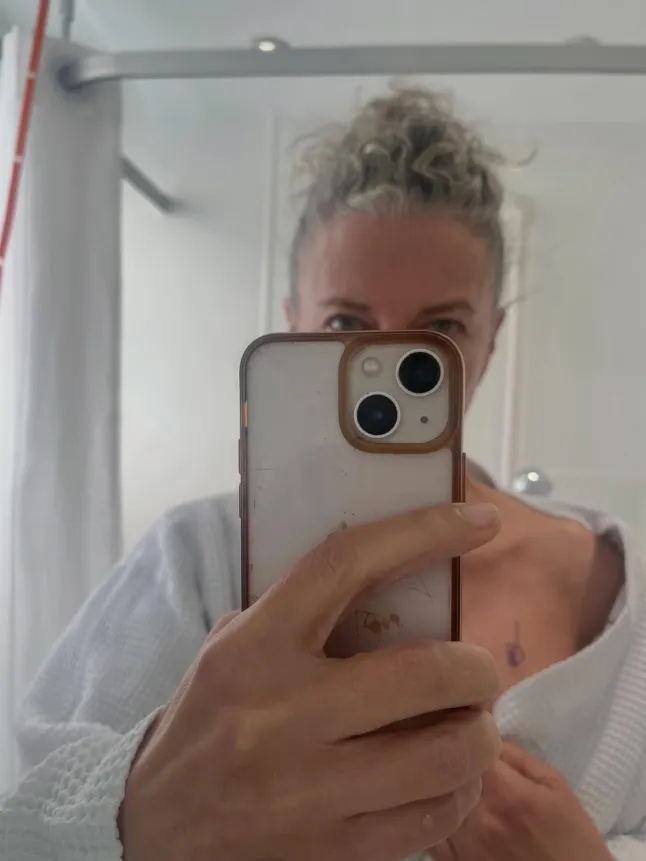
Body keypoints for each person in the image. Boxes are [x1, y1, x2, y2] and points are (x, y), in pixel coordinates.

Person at [1, 86, 645, 861]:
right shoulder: (193, 559)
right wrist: (138, 818)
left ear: (493, 336)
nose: (388, 363)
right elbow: (24, 821)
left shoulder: (620, 591)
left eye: (440, 328)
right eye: (346, 322)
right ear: (293, 321)